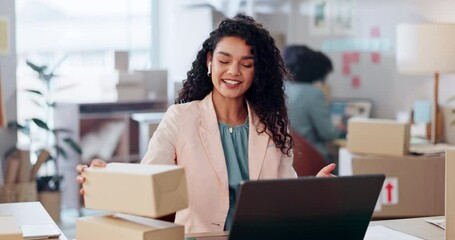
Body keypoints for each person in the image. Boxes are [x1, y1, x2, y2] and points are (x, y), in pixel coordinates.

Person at [77, 14, 335, 234]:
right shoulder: (180, 118)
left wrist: (312, 191)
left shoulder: (272, 124)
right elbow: (148, 182)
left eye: (246, 64)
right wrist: (109, 178)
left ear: (257, 72)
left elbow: (284, 197)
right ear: (209, 63)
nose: (234, 71)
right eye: (224, 61)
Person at [284, 45, 344, 163]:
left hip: (284, 157)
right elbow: (327, 133)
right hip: (310, 158)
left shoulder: (279, 88)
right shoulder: (313, 93)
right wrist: (341, 130)